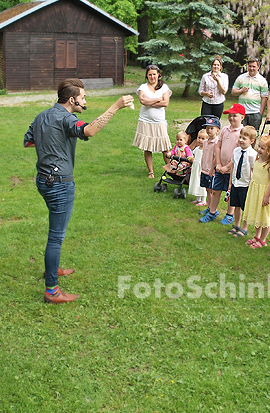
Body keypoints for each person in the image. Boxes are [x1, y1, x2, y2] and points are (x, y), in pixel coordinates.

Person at [24, 79, 133, 304]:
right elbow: (89, 131)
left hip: (43, 181)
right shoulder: (66, 118)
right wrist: (115, 106)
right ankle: (51, 290)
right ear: (72, 100)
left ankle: (53, 269)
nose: (85, 101)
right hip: (59, 184)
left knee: (56, 231)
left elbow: (29, 142)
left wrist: (52, 142)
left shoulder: (41, 116)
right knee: (56, 236)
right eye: (83, 98)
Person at [205, 103, 245, 225]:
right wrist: (218, 163)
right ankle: (212, 212)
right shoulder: (224, 130)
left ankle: (229, 215)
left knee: (230, 192)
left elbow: (239, 154)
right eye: (230, 116)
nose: (231, 118)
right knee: (216, 190)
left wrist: (227, 166)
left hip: (232, 169)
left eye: (235, 116)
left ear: (242, 117)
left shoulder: (242, 133)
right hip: (219, 167)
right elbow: (218, 146)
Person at [133, 65, 172, 178]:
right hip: (145, 121)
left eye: (154, 74)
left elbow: (166, 103)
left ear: (158, 74)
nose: (152, 77)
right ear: (147, 75)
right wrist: (159, 99)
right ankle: (151, 171)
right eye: (150, 74)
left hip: (159, 121)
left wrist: (150, 101)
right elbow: (143, 101)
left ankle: (170, 169)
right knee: (147, 147)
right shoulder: (143, 87)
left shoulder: (164, 87)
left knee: (165, 147)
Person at [242, 135, 270, 248]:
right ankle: (256, 236)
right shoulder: (257, 159)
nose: (259, 150)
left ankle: (263, 239)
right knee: (257, 214)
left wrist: (267, 196)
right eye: (259, 147)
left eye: (263, 148)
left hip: (263, 192)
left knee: (264, 216)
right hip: (255, 191)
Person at [227, 125, 258, 237]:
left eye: (244, 138)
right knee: (236, 205)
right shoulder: (236, 151)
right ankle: (237, 225)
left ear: (252, 141)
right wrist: (230, 182)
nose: (240, 140)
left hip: (246, 184)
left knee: (245, 207)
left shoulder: (252, 154)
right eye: (240, 137)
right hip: (236, 183)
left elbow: (254, 171)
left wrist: (252, 185)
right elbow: (233, 167)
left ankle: (244, 228)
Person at [231, 58, 269, 130]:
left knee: (253, 135)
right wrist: (241, 91)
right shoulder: (241, 77)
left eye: (254, 66)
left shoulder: (262, 80)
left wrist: (260, 113)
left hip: (255, 112)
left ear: (258, 67)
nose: (251, 68)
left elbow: (264, 98)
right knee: (241, 133)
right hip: (242, 112)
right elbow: (233, 92)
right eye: (250, 66)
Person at [198, 117, 221, 218]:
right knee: (207, 189)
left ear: (217, 130)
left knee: (212, 190)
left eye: (212, 128)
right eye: (208, 128)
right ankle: (209, 206)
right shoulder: (206, 141)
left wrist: (212, 168)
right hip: (204, 169)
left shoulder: (217, 142)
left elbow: (216, 157)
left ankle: (213, 209)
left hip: (211, 171)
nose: (209, 130)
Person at [188, 129, 209, 206]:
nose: (200, 140)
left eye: (203, 139)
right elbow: (194, 156)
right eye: (199, 138)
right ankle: (198, 198)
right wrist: (192, 159)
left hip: (201, 168)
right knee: (196, 182)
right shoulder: (196, 149)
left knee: (202, 183)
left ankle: (203, 200)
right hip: (195, 168)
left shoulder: (206, 150)